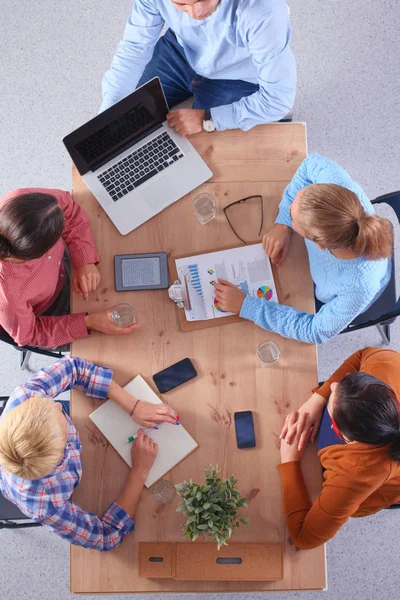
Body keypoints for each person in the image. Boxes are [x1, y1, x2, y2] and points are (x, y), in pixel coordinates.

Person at [0, 356, 179, 550]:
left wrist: (134, 405)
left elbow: (72, 367)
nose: (59, 405)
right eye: (61, 417)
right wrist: (139, 472)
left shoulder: (25, 398)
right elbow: (106, 537)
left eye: (49, 405)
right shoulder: (44, 504)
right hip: (77, 485)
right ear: (60, 457)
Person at [214, 154, 393, 344]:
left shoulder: (359, 286)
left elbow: (314, 331)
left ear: (319, 244)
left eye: (292, 217)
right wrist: (283, 225)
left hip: (336, 298)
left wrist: (246, 305)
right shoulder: (340, 189)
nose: (289, 206)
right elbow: (310, 165)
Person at [100, 0, 296, 135]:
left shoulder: (265, 11)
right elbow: (133, 49)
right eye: (181, 4)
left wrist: (209, 118)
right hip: (181, 52)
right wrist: (109, 110)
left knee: (201, 153)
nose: (197, 13)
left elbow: (278, 100)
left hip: (238, 77)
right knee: (126, 113)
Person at [277, 347, 400, 550]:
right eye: (341, 385)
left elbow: (304, 538)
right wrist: (317, 400)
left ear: (347, 438)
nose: (332, 384)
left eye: (331, 412)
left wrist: (289, 462)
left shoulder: (356, 474)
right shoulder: (388, 365)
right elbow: (363, 355)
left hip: (371, 491)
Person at [0, 188, 138, 348]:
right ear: (39, 255)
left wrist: (84, 260)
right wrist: (89, 322)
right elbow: (30, 335)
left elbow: (65, 206)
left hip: (65, 271)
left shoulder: (20, 203)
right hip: (50, 314)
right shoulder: (9, 299)